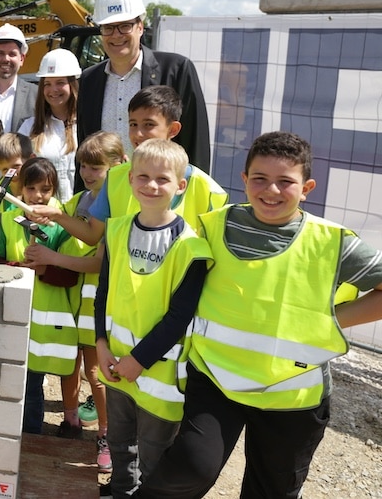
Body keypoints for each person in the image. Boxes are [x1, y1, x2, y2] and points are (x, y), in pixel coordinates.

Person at [135, 132, 382, 499]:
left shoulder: (332, 242)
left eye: (286, 182)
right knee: (190, 468)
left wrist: (327, 321)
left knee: (270, 491)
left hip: (291, 396)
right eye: (260, 179)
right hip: (215, 379)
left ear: (307, 188)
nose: (271, 190)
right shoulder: (212, 226)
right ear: (244, 179)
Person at [94, 140, 213, 498]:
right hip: (115, 363)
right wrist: (100, 343)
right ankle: (120, 492)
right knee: (119, 446)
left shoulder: (191, 247)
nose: (151, 185)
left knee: (154, 458)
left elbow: (180, 316)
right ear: (130, 179)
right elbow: (103, 292)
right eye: (143, 176)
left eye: (163, 179)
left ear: (181, 185)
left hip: (159, 376)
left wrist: (139, 360)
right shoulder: (116, 230)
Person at [24, 130, 125, 472]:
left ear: (118, 165)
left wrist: (52, 257)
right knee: (71, 365)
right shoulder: (81, 200)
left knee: (96, 373)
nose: (87, 173)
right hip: (74, 299)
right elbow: (64, 230)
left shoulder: (119, 203)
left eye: (96, 167)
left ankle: (107, 435)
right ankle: (71, 420)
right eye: (83, 165)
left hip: (101, 300)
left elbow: (98, 261)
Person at [39, 86, 227, 248]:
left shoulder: (207, 189)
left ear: (173, 129)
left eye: (149, 125)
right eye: (133, 124)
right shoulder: (115, 178)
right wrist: (57, 215)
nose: (138, 133)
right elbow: (92, 235)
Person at [77, 0, 210, 178]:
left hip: (160, 189)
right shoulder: (89, 80)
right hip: (106, 191)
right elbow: (85, 147)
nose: (116, 35)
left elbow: (195, 141)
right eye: (108, 27)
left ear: (140, 26)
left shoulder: (177, 70)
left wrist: (191, 190)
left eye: (125, 26)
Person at [0, 157, 74, 436]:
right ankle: (3, 430)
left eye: (45, 189)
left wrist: (44, 268)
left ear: (54, 190)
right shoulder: (6, 220)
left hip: (42, 326)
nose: (38, 196)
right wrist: (18, 267)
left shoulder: (63, 226)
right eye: (31, 188)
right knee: (5, 378)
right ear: (20, 188)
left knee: (32, 386)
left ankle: (30, 435)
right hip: (9, 316)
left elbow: (71, 275)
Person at [19, 48, 81, 202]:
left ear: (72, 84)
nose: (53, 89)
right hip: (42, 211)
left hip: (81, 211)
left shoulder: (87, 125)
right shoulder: (28, 128)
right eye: (47, 84)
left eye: (60, 82)